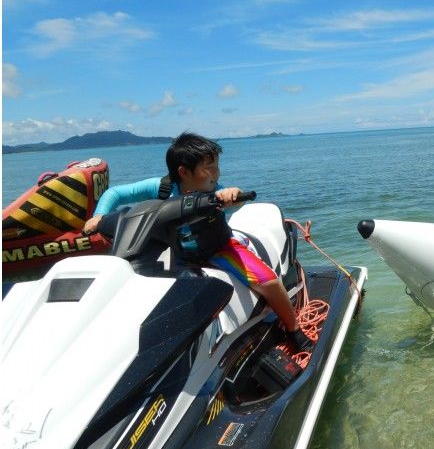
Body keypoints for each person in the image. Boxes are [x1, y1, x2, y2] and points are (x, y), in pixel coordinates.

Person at [83, 132, 312, 350]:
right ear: (183, 172)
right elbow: (116, 194)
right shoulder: (162, 188)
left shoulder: (218, 192)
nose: (216, 173)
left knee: (268, 281)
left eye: (217, 165)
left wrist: (232, 195)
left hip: (217, 248)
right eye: (208, 167)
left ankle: (293, 329)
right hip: (176, 253)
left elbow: (233, 195)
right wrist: (99, 216)